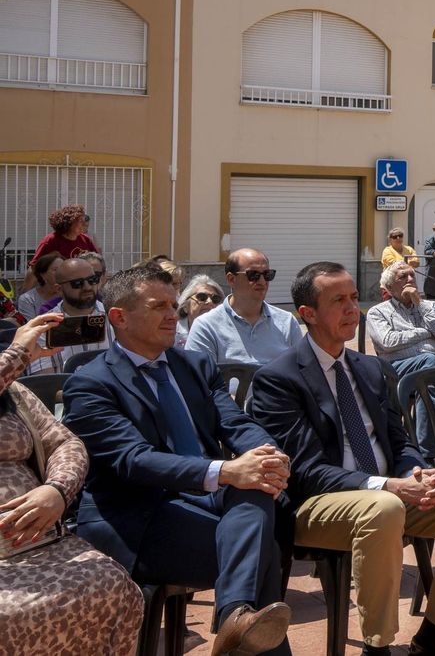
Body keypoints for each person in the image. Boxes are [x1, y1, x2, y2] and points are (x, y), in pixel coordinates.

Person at [249, 262, 435, 656]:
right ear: (307, 314)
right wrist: (389, 486)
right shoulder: (279, 379)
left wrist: (416, 472)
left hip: (388, 493)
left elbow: (398, 441)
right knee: (382, 508)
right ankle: (377, 645)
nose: (353, 309)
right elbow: (306, 470)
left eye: (353, 298)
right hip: (317, 503)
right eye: (339, 301)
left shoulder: (369, 368)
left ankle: (434, 635)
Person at [63, 264, 293, 656]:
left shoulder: (194, 366)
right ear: (119, 317)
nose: (174, 314)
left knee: (261, 493)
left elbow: (233, 421)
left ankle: (236, 615)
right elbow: (133, 461)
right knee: (264, 549)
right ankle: (238, 622)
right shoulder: (91, 383)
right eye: (159, 307)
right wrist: (225, 470)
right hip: (140, 513)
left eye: (174, 304)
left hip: (203, 496)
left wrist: (269, 454)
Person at [0, 313, 144, 656]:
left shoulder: (13, 393)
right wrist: (17, 354)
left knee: (110, 585)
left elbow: (65, 443)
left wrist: (58, 490)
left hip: (39, 544)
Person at [366, 261, 435, 449]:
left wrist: (419, 304)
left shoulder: (431, 306)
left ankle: (426, 452)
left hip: (431, 368)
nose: (410, 279)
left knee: (433, 375)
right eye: (403, 276)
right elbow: (388, 342)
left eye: (412, 275)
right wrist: (425, 332)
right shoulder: (378, 312)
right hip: (396, 368)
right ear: (389, 287)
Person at [185, 248, 306, 366]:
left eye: (267, 274)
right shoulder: (206, 326)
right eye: (253, 275)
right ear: (231, 279)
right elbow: (199, 379)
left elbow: (301, 371)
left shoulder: (287, 322)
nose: (262, 281)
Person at [27, 256, 109, 374]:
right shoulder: (44, 328)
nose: (87, 287)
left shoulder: (116, 317)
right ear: (59, 289)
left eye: (92, 280)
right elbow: (45, 383)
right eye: (77, 283)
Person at [21, 204, 99, 293]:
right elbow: (35, 267)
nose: (84, 223)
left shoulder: (86, 240)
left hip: (82, 288)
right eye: (80, 221)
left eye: (84, 220)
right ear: (69, 222)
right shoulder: (51, 240)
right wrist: (25, 292)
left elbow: (97, 263)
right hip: (57, 289)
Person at [175, 274, 224, 350]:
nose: (209, 301)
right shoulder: (172, 332)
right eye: (202, 297)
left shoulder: (225, 332)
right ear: (185, 306)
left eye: (215, 299)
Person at [14, 252, 62, 321]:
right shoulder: (28, 299)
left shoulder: (72, 293)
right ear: (43, 275)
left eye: (63, 269)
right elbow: (31, 327)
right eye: (55, 269)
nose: (61, 272)